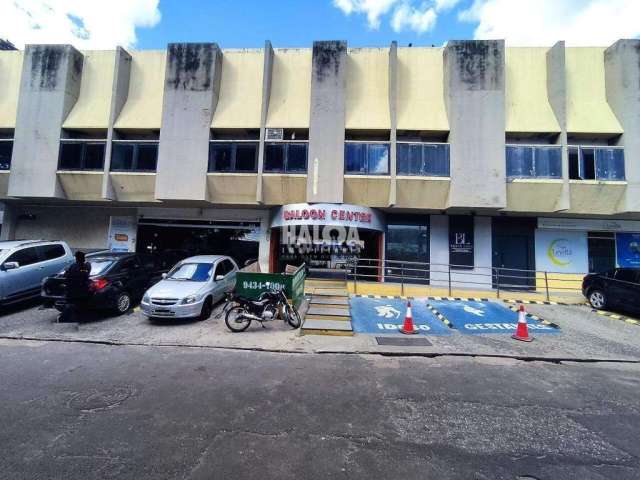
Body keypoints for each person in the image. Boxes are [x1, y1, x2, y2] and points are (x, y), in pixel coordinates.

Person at [58, 251, 91, 323]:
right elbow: (86, 275)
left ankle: (66, 319)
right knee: (79, 305)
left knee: (71, 305)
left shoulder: (72, 266)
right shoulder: (86, 266)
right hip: (82, 289)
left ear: (76, 258)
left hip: (72, 289)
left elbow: (66, 276)